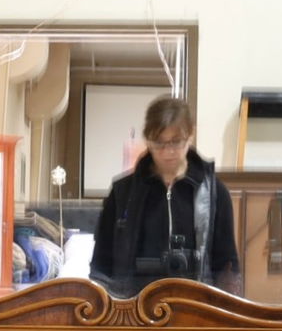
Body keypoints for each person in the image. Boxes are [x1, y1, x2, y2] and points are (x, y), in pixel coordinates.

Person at [89, 95, 241, 296]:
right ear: (147, 140)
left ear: (191, 135)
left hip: (197, 309)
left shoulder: (214, 192)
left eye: (176, 142)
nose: (168, 152)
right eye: (159, 143)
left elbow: (227, 265)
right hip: (133, 309)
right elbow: (102, 262)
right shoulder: (123, 192)